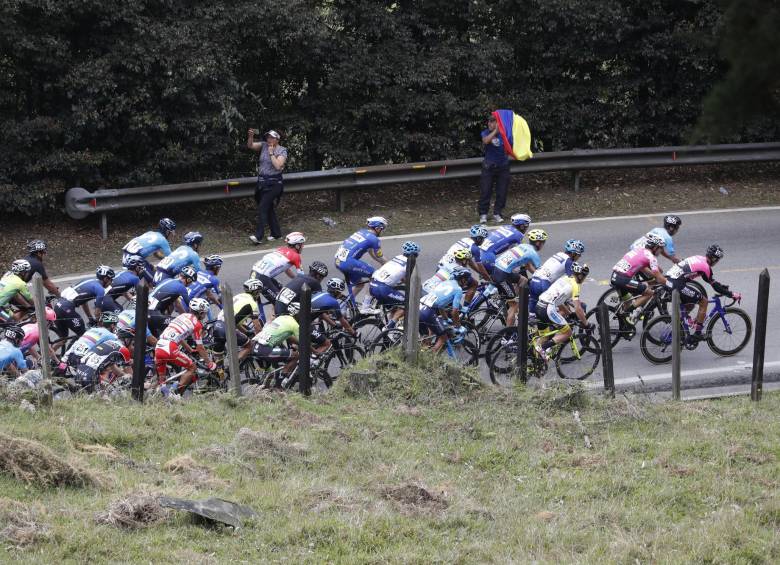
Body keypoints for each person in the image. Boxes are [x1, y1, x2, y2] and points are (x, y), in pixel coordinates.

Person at [664, 244, 740, 345]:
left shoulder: (699, 258)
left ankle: (681, 323)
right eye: (717, 260)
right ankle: (697, 334)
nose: (717, 262)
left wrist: (722, 287)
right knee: (703, 301)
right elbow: (714, 285)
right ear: (713, 258)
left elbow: (710, 280)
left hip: (668, 279)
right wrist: (731, 294)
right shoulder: (706, 267)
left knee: (690, 303)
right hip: (677, 283)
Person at [154, 298, 216, 396]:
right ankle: (175, 394)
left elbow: (180, 337)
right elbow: (200, 347)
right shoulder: (197, 324)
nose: (205, 316)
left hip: (159, 346)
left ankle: (161, 397)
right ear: (200, 313)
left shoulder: (183, 315)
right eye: (204, 313)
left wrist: (189, 349)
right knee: (192, 368)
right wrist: (209, 363)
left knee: (162, 380)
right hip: (170, 348)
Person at [535, 262, 592, 361]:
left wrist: (569, 314)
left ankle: (535, 360)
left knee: (544, 336)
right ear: (580, 275)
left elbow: (559, 301)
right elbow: (578, 308)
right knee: (567, 332)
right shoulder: (576, 285)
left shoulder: (564, 278)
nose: (583, 279)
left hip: (539, 305)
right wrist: (586, 324)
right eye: (584, 276)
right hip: (548, 309)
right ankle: (543, 348)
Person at [492, 228, 547, 326]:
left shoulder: (523, 246)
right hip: (502, 275)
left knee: (523, 279)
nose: (543, 245)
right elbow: (541, 273)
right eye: (543, 242)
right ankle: (507, 336)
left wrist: (535, 274)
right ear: (538, 243)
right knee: (514, 306)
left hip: (498, 269)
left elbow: (528, 266)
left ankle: (509, 298)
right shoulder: (533, 253)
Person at [611, 233, 668, 325]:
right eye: (661, 248)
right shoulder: (651, 257)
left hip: (615, 276)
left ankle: (624, 324)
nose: (661, 251)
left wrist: (655, 276)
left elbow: (642, 268)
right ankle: (624, 314)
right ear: (655, 247)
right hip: (623, 279)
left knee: (628, 300)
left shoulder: (639, 250)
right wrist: (669, 283)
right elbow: (659, 276)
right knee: (649, 293)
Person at [335, 216, 389, 311]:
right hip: (348, 262)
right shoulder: (374, 239)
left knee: (360, 284)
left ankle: (343, 308)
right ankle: (366, 306)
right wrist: (390, 266)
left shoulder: (361, 232)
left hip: (338, 261)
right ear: (377, 228)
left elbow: (372, 253)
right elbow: (379, 256)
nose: (382, 231)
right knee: (375, 276)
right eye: (382, 229)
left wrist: (384, 264)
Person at [250, 232, 307, 317]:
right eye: (302, 245)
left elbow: (286, 269)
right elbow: (302, 278)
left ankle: (273, 316)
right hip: (262, 278)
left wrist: (294, 279)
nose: (303, 247)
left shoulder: (281, 249)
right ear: (297, 246)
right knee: (281, 303)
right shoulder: (295, 256)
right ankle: (273, 324)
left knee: (282, 291)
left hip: (255, 273)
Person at [247, 128, 288, 244]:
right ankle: (276, 233)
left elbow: (278, 166)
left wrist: (271, 153)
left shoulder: (282, 150)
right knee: (268, 208)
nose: (269, 139)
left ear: (277, 139)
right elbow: (250, 146)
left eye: (272, 137)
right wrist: (250, 136)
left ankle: (258, 236)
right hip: (262, 183)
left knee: (262, 207)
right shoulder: (264, 145)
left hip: (274, 184)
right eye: (268, 137)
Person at [418, 267, 472, 354]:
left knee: (429, 334)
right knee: (443, 337)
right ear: (462, 279)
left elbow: (440, 305)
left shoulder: (446, 282)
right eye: (466, 279)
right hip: (428, 311)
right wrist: (458, 326)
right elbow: (454, 312)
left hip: (420, 307)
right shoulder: (458, 290)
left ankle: (420, 354)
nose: (467, 282)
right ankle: (428, 360)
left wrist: (446, 318)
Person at [54, 265, 115, 339]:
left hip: (58, 306)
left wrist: (90, 318)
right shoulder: (100, 290)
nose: (111, 283)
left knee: (63, 339)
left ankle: (50, 350)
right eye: (111, 280)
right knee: (84, 337)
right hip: (66, 308)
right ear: (105, 279)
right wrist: (100, 325)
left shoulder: (89, 281)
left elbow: (84, 302)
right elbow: (97, 313)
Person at [369, 241, 420, 328]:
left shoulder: (398, 257)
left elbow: (398, 273)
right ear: (414, 255)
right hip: (383, 289)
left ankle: (390, 329)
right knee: (406, 304)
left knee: (395, 306)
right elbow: (410, 280)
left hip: (373, 285)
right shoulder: (410, 262)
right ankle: (389, 327)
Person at [528, 239, 584, 315]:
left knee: (532, 314)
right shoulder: (569, 261)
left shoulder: (559, 254)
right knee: (560, 311)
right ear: (574, 254)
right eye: (579, 254)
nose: (579, 257)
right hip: (543, 284)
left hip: (534, 280)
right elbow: (571, 280)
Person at [249, 307, 300, 389]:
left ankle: (263, 393)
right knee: (296, 355)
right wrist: (314, 351)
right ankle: (280, 384)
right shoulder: (294, 324)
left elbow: (289, 337)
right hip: (264, 350)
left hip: (254, 346)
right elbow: (304, 343)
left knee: (269, 375)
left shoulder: (281, 318)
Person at [214, 279, 265, 360]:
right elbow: (257, 326)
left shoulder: (238, 296)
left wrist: (246, 332)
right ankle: (232, 367)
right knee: (249, 346)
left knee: (218, 356)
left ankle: (219, 370)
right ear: (256, 292)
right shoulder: (252, 303)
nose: (259, 294)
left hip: (217, 324)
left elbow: (235, 320)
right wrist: (262, 339)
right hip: (227, 327)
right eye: (259, 292)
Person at [122, 218, 177, 285]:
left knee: (153, 269)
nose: (173, 234)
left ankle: (140, 288)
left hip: (129, 256)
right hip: (134, 258)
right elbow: (172, 259)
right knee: (155, 281)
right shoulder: (163, 240)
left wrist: (163, 260)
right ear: (167, 231)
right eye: (172, 232)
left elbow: (156, 254)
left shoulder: (150, 233)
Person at [478, 114, 511, 223]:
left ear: (498, 123)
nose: (489, 124)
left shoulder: (505, 134)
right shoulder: (486, 133)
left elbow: (511, 145)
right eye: (489, 122)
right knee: (485, 191)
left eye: (492, 122)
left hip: (503, 166)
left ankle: (497, 213)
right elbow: (486, 141)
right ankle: (483, 214)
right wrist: (495, 132)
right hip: (489, 167)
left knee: (502, 191)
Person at [147, 266, 197, 336]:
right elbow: (192, 306)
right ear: (188, 280)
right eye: (191, 282)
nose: (191, 284)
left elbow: (177, 304)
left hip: (145, 312)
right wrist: (191, 321)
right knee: (180, 325)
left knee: (156, 336)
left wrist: (185, 316)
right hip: (154, 316)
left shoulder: (168, 280)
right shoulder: (182, 288)